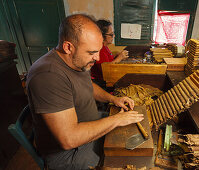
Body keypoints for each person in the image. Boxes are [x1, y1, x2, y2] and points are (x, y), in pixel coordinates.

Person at [26, 14, 144, 170]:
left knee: (132, 132)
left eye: (99, 51)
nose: (97, 57)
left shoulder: (78, 61)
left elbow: (87, 85)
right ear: (68, 47)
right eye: (91, 52)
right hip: (68, 154)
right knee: (128, 159)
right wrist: (116, 120)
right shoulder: (48, 75)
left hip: (88, 123)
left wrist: (113, 99)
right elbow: (69, 139)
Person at [90, 19, 129, 86]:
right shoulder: (99, 49)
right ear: (102, 35)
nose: (114, 36)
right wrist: (119, 58)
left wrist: (115, 56)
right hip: (100, 83)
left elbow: (107, 60)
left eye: (113, 34)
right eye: (111, 35)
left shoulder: (105, 46)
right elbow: (106, 71)